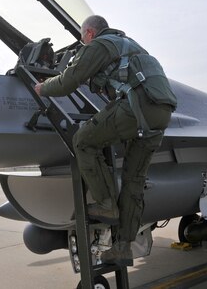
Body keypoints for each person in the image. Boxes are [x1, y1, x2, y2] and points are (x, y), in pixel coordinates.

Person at [34, 15, 177, 266]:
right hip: (160, 113)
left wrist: (43, 88)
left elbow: (69, 81)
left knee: (83, 140)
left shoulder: (99, 46)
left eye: (81, 35)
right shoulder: (131, 46)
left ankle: (106, 203)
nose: (81, 40)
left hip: (136, 106)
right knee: (134, 181)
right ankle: (122, 247)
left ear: (89, 33)